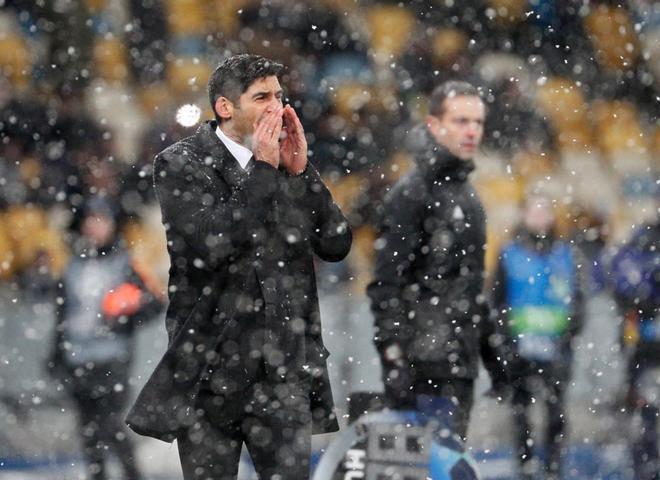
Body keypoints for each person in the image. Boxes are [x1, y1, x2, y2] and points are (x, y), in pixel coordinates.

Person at [126, 54, 352, 480]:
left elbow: (336, 243)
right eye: (262, 97)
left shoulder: (287, 163)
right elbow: (214, 246)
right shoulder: (180, 163)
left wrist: (302, 174)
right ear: (225, 108)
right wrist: (265, 170)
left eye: (279, 96)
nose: (276, 107)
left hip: (283, 370)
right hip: (209, 371)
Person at [367, 80, 509, 441]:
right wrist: (394, 357)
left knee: (447, 465)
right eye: (461, 121)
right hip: (420, 363)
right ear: (434, 125)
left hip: (458, 364)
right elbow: (386, 283)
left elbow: (472, 288)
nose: (472, 131)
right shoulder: (410, 194)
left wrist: (495, 357)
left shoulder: (469, 198)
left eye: (477, 122)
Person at [48, 197, 164, 480]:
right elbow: (63, 314)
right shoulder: (73, 265)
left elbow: (156, 301)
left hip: (112, 355)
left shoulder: (126, 263)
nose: (95, 226)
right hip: (78, 355)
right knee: (88, 428)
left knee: (109, 424)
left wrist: (127, 314)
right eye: (91, 220)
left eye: (101, 220)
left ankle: (132, 475)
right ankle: (98, 476)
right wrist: (56, 353)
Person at [492, 194, 585, 480]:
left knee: (556, 413)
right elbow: (496, 300)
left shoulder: (567, 254)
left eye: (544, 211)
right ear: (523, 215)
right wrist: (506, 339)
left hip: (557, 348)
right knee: (521, 414)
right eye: (534, 212)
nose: (539, 218)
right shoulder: (509, 254)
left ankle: (553, 467)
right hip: (520, 348)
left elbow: (579, 301)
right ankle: (526, 467)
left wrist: (569, 333)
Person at [610, 215, 659, 480]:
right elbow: (621, 277)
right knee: (645, 416)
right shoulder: (643, 239)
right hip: (645, 345)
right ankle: (646, 470)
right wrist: (642, 295)